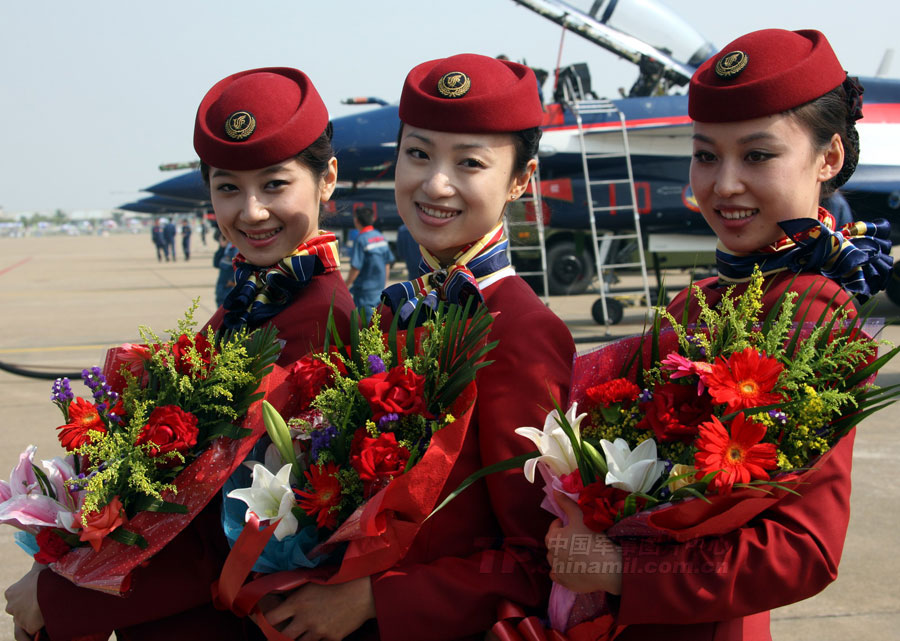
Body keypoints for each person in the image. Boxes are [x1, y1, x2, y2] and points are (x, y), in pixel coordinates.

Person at [545, 29, 892, 641]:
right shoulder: (700, 299)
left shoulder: (818, 311)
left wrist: (624, 568)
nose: (723, 184)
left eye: (757, 156)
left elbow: (802, 548)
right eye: (707, 155)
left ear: (830, 157)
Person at [4, 66, 355, 641]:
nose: (251, 211)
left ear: (327, 179)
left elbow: (225, 534)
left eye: (274, 184)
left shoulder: (326, 327)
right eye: (227, 188)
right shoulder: (247, 305)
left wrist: (60, 594)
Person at [258, 53, 576, 641]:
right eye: (419, 154)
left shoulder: (517, 328)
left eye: (470, 163)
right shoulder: (390, 314)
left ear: (521, 179)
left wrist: (375, 599)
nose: (434, 183)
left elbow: (541, 559)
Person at [345, 206, 394, 321]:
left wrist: (345, 285)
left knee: (367, 326)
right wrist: (384, 282)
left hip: (365, 292)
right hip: (379, 289)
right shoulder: (380, 237)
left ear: (356, 221)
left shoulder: (361, 239)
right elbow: (387, 262)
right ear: (372, 219)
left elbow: (355, 267)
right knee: (378, 322)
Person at [213, 229, 239, 307]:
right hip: (222, 286)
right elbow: (216, 264)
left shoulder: (236, 249)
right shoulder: (227, 248)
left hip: (229, 287)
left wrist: (233, 281)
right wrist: (221, 247)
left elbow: (239, 266)